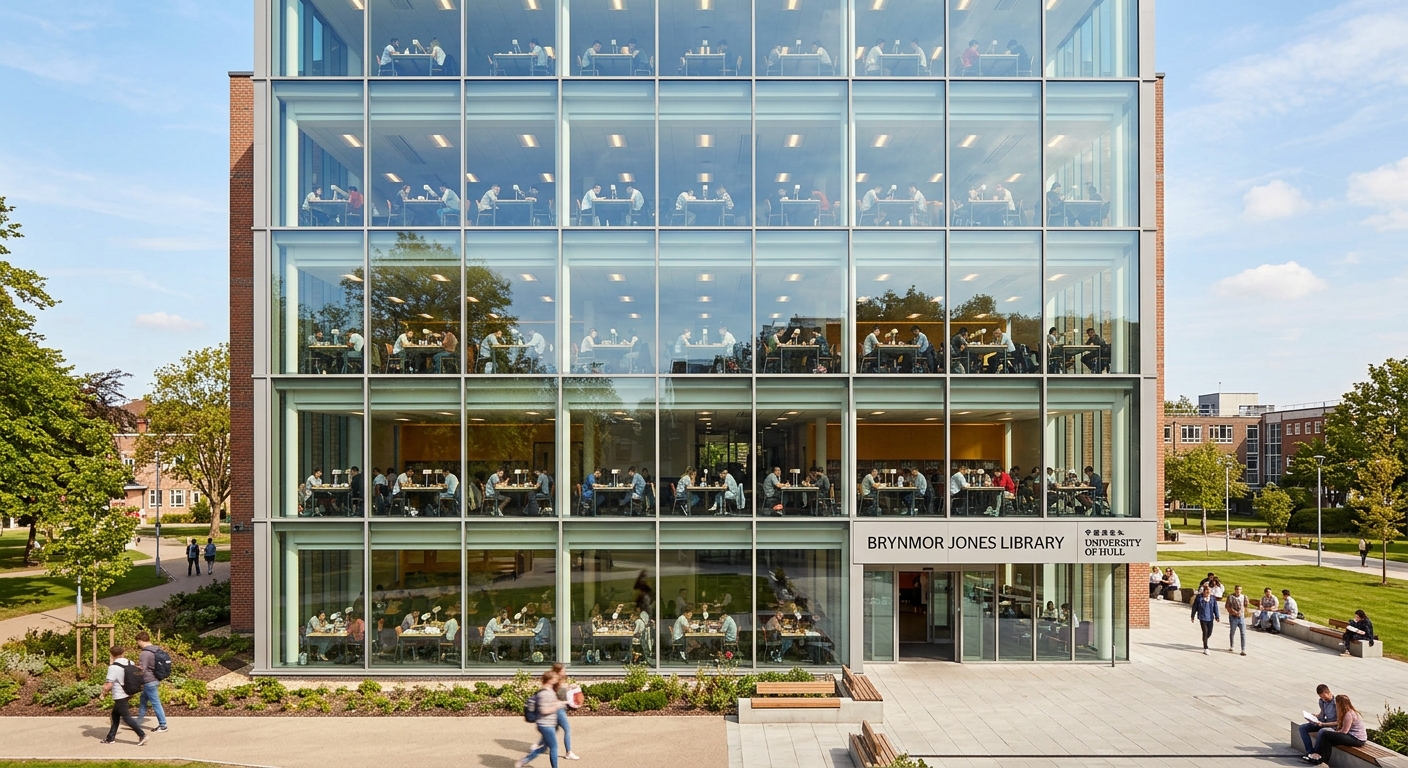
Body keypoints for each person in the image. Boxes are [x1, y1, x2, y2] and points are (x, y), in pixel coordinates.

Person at [515, 670, 565, 768]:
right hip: (546, 725)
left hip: (548, 724)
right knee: (554, 747)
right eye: (554, 678)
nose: (556, 679)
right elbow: (544, 711)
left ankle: (523, 761)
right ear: (549, 680)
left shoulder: (548, 691)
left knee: (544, 748)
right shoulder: (545, 693)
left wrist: (559, 703)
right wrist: (556, 706)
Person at [101, 645, 147, 745]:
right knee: (115, 715)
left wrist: (103, 693)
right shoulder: (131, 663)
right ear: (123, 653)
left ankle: (142, 735)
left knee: (126, 717)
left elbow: (109, 684)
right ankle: (110, 738)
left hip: (119, 695)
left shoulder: (113, 667)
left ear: (112, 655)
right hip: (128, 692)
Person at [1304, 695, 1367, 765]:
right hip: (1351, 735)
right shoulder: (1346, 712)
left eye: (1337, 704)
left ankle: (1323, 760)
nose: (1336, 705)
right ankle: (1320, 758)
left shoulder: (1349, 715)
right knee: (1327, 739)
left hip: (1357, 739)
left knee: (1326, 734)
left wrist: (1335, 732)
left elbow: (1344, 731)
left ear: (1340, 704)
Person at [134, 631, 168, 733]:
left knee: (156, 703)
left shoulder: (145, 653)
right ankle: (139, 721)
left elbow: (142, 669)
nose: (138, 644)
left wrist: (131, 668)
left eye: (137, 642)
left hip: (149, 680)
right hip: (155, 679)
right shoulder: (156, 650)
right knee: (143, 699)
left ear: (140, 641)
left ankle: (163, 725)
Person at [1298, 684, 1339, 756]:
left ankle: (1315, 754)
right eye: (1321, 697)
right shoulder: (1322, 701)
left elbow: (1339, 721)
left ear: (1329, 693)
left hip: (1334, 725)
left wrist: (1324, 724)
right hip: (1325, 722)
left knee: (1321, 731)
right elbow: (1322, 715)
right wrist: (1314, 717)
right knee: (1302, 728)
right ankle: (1309, 751)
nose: (1323, 699)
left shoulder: (1336, 703)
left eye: (1324, 696)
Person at [1190, 584, 1220, 655]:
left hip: (1210, 618)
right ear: (1204, 591)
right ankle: (1206, 647)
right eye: (1206, 591)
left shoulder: (1212, 599)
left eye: (1209, 591)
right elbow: (1194, 607)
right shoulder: (1199, 598)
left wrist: (1217, 616)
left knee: (1209, 632)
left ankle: (1204, 639)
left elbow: (1215, 608)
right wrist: (1192, 616)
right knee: (1205, 631)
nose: (1207, 593)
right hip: (1202, 617)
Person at [1225, 584, 1248, 655]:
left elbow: (1246, 606)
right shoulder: (1231, 597)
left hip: (1241, 617)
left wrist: (1242, 610)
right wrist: (1234, 612)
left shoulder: (1244, 597)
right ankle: (1232, 645)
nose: (1238, 591)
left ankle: (1243, 649)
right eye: (1237, 589)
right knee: (1232, 632)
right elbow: (1227, 606)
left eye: (1240, 589)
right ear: (1235, 590)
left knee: (1243, 633)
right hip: (1233, 617)